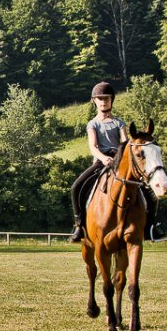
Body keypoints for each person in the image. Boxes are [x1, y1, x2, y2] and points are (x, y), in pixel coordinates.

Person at [67, 81, 160, 243]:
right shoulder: (93, 124)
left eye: (107, 98)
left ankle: (152, 226)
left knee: (150, 192)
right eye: (100, 98)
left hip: (119, 163)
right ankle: (79, 225)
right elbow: (93, 146)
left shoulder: (119, 123)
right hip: (100, 162)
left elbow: (125, 144)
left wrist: (120, 157)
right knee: (76, 187)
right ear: (94, 101)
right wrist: (104, 158)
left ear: (112, 100)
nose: (103, 101)